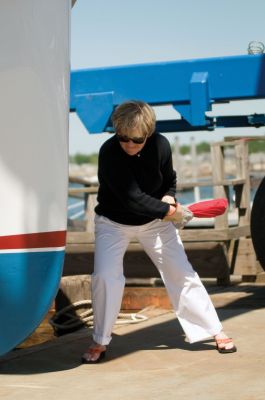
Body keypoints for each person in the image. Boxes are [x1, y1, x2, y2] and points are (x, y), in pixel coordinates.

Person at [81, 100, 237, 363]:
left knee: (181, 273)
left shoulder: (161, 145)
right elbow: (132, 198)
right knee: (106, 277)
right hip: (113, 222)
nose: (129, 144)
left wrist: (168, 197)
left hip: (155, 222)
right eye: (123, 138)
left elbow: (170, 180)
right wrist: (169, 212)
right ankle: (100, 339)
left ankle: (213, 330)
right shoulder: (108, 153)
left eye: (137, 140)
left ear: (149, 134)